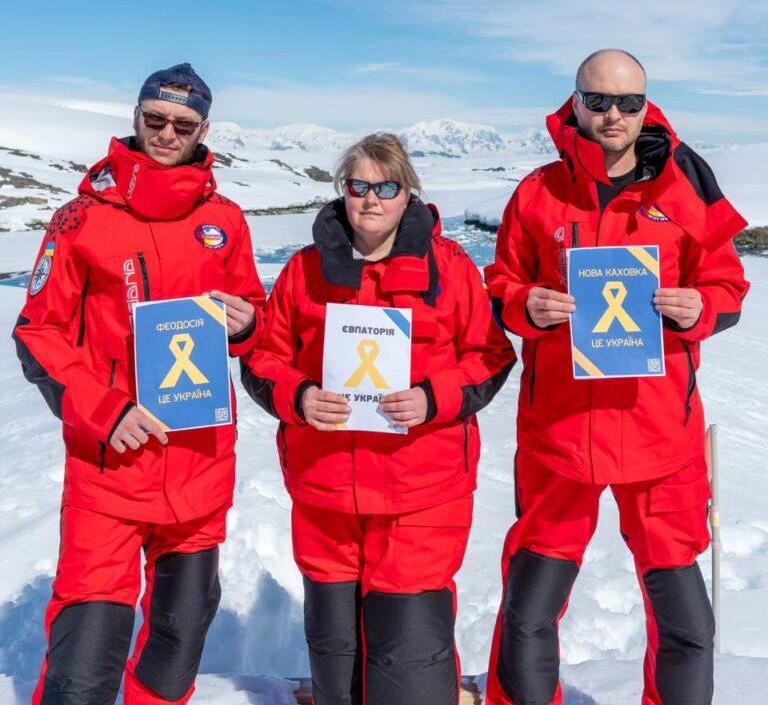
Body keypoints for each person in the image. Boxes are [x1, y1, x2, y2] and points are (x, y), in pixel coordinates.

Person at [483, 49, 749, 705]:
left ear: (645, 105)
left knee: (687, 626)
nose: (613, 115)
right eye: (598, 100)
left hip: (659, 436)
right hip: (560, 435)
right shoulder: (538, 191)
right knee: (529, 612)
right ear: (574, 103)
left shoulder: (685, 188)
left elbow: (728, 286)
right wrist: (526, 305)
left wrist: (700, 307)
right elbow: (501, 283)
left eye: (628, 103)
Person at [13, 63, 266, 705]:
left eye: (183, 124)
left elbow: (252, 314)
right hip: (111, 468)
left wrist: (247, 323)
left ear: (203, 130)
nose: (166, 133)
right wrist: (104, 410)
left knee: (177, 644)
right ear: (135, 117)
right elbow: (38, 332)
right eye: (155, 118)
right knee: (85, 655)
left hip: (200, 466)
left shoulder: (226, 219)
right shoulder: (80, 219)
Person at [241, 132, 516, 705]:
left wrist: (432, 399)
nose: (370, 199)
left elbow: (490, 356)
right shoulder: (303, 270)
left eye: (386, 187)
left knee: (409, 671)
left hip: (421, 495)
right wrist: (299, 395)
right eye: (358, 186)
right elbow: (263, 358)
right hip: (325, 496)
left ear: (408, 192)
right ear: (343, 191)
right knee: (335, 664)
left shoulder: (450, 268)